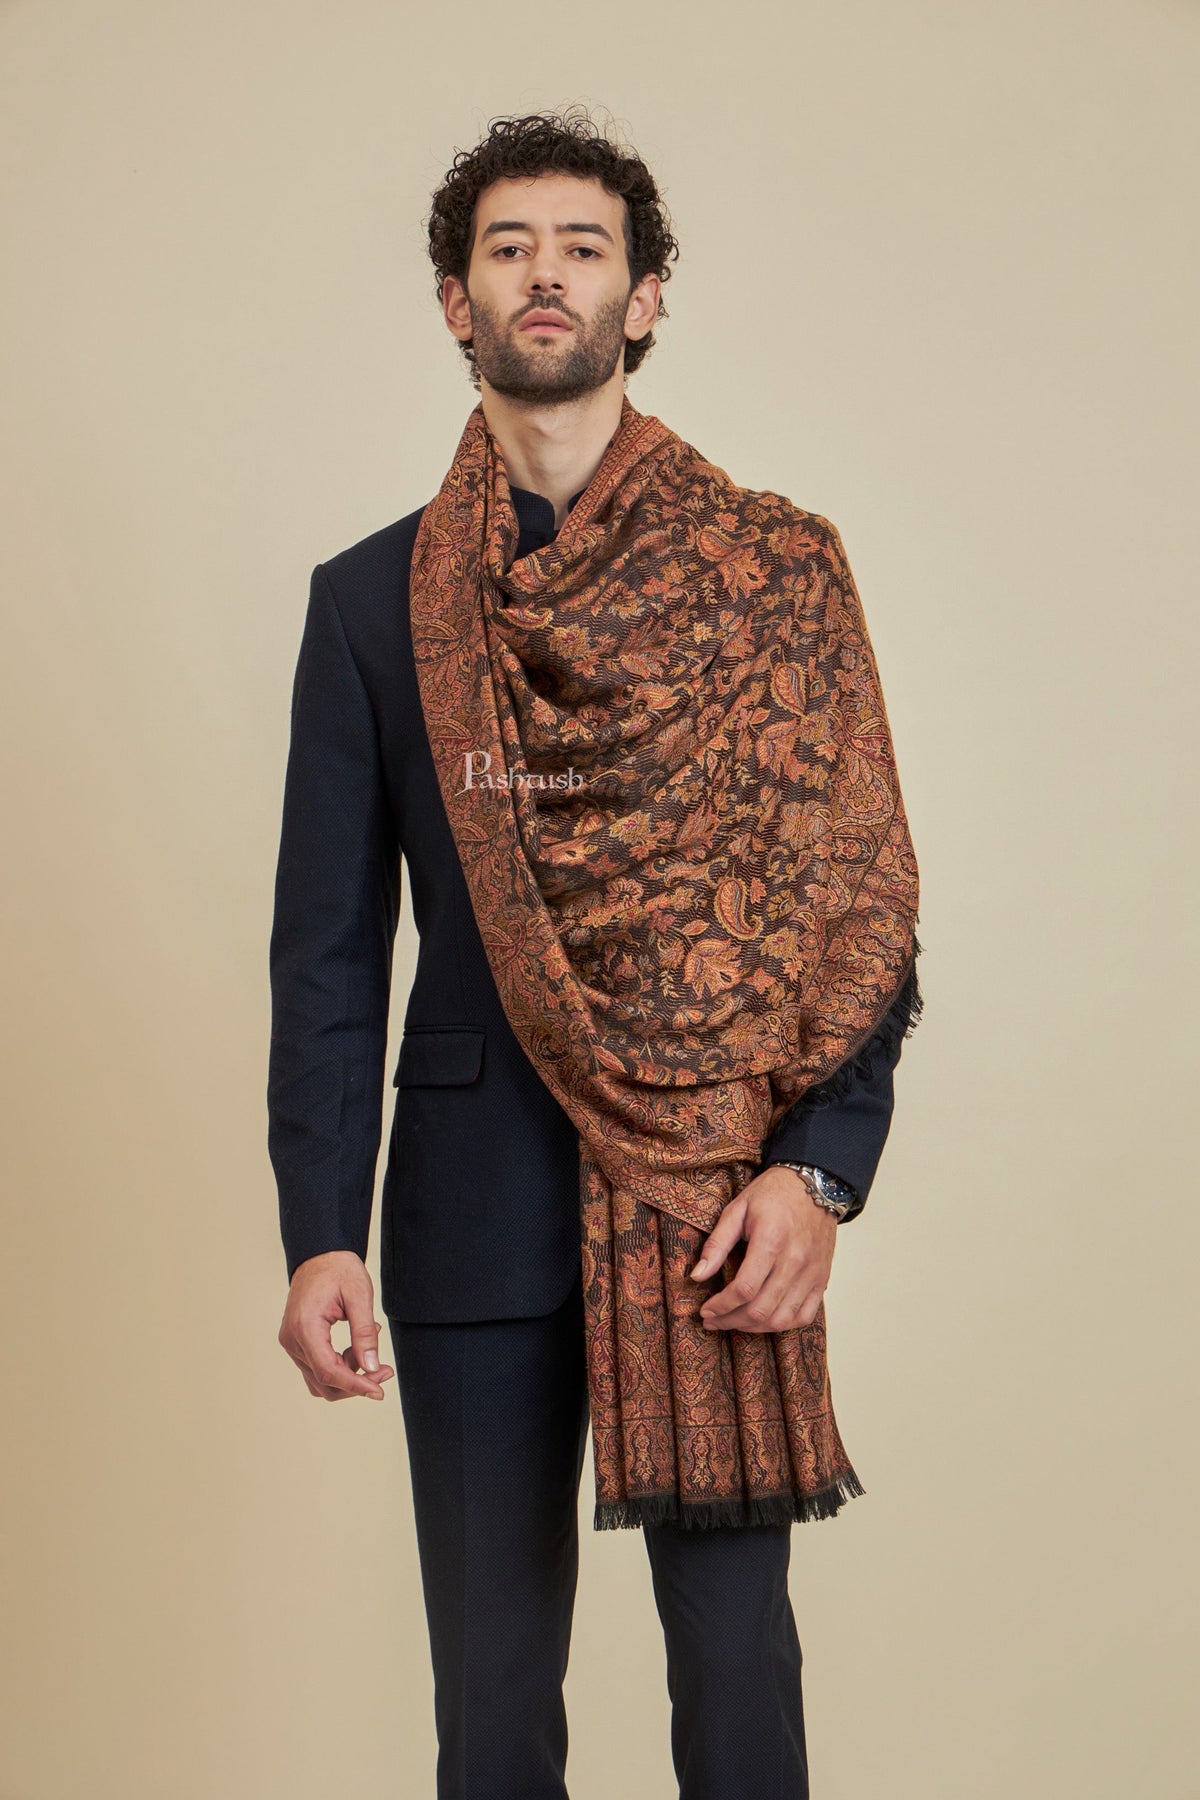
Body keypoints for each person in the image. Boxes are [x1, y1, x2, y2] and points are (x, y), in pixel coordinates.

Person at [268, 107, 921, 1800]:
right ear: (455, 301)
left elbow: (852, 896)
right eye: (508, 249)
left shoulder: (774, 575)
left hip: (717, 1202)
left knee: (740, 1683)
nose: (544, 275)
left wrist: (818, 1176)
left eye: (582, 248)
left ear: (644, 299)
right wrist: (321, 1231)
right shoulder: (373, 604)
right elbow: (329, 950)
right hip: (470, 1209)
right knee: (491, 1708)